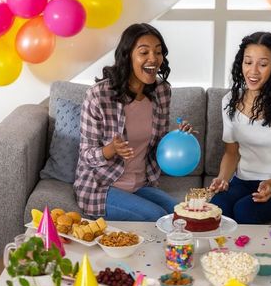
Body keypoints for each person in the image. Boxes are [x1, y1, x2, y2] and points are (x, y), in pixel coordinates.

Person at [74, 23, 191, 222]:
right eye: (144, 52)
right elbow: (86, 155)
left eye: (158, 52)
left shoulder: (161, 92)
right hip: (102, 187)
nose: (153, 59)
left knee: (182, 216)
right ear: (128, 56)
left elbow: (158, 144)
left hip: (140, 185)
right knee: (158, 218)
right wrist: (111, 149)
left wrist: (177, 136)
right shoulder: (99, 95)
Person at [209, 31, 271, 224]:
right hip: (242, 181)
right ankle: (223, 254)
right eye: (248, 62)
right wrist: (223, 178)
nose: (253, 71)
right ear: (241, 64)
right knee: (218, 208)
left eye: (262, 64)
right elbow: (231, 153)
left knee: (245, 210)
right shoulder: (229, 101)